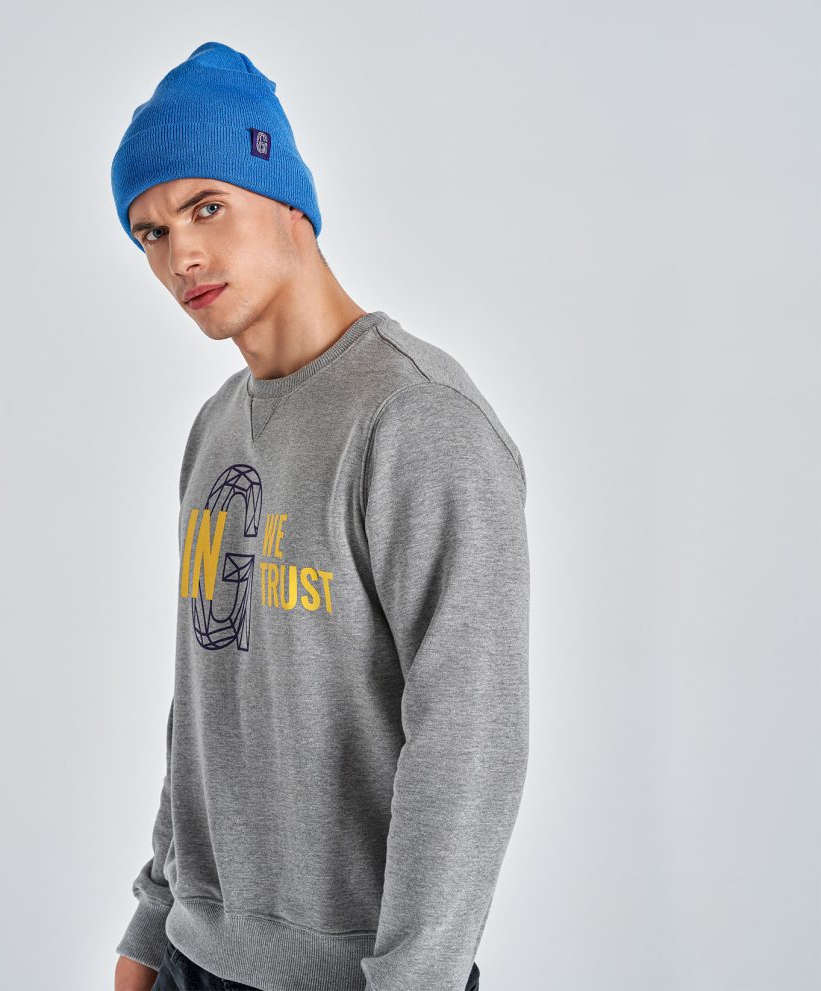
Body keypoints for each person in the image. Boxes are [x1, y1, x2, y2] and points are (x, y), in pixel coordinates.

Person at [109, 41, 529, 991]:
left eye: (206, 206)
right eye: (150, 232)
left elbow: (469, 742)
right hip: (191, 959)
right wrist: (149, 924)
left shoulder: (418, 419)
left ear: (289, 201)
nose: (181, 255)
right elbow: (206, 702)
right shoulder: (217, 426)